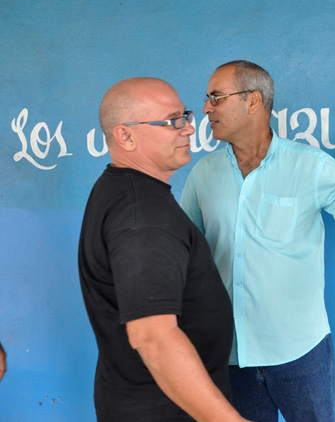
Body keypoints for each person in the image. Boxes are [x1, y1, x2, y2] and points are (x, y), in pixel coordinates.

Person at [181, 60, 335, 422]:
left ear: (253, 101)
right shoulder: (203, 174)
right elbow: (181, 253)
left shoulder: (311, 166)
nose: (206, 108)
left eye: (216, 98)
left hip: (302, 353)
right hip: (231, 357)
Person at [78, 78, 250, 422]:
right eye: (172, 121)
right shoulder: (142, 217)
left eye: (184, 116)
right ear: (125, 136)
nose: (188, 129)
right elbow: (154, 337)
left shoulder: (123, 190)